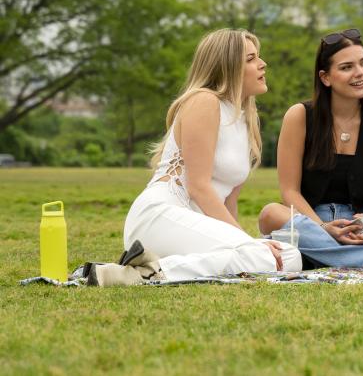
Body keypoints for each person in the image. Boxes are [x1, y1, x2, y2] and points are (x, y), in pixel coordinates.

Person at [84, 29, 302, 285]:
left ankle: (146, 270)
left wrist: (242, 241)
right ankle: (148, 272)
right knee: (260, 254)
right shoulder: (204, 102)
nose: (263, 64)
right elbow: (199, 187)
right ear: (228, 67)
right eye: (251, 59)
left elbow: (228, 201)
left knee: (289, 256)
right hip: (160, 216)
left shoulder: (246, 120)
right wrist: (245, 243)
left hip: (196, 227)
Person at [257, 28, 363, 268]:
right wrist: (322, 228)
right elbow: (290, 192)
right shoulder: (299, 116)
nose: (360, 73)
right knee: (270, 214)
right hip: (309, 221)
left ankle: (315, 255)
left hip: (360, 226)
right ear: (325, 77)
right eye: (346, 67)